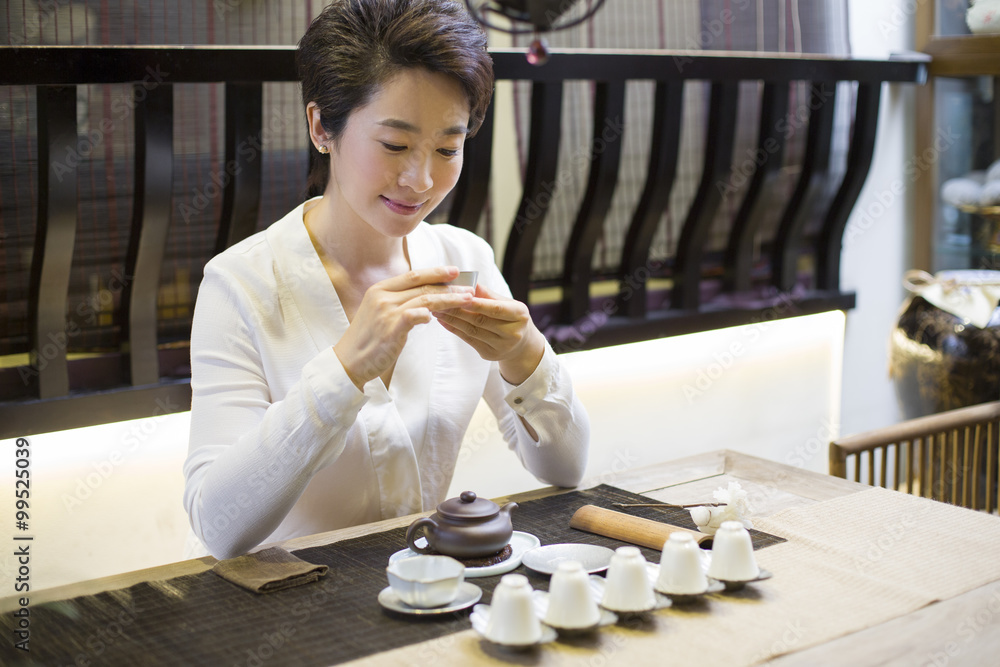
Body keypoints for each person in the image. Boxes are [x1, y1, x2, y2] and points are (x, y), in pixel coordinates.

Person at [183, 0, 590, 560]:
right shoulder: (242, 284)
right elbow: (217, 525)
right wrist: (343, 370)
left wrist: (525, 355)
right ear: (323, 126)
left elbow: (567, 470)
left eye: (448, 148)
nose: (421, 179)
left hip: (439, 604)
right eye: (395, 145)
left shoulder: (463, 259)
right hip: (298, 624)